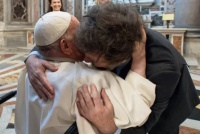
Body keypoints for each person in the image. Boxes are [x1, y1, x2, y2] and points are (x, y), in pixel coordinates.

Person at [24, 2, 200, 134]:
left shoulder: (163, 68)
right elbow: (52, 37)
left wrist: (110, 127)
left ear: (121, 58)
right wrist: (32, 58)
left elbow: (143, 123)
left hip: (165, 114)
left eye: (91, 58)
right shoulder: (100, 29)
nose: (83, 59)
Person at [15, 11, 156, 134]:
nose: (86, 35)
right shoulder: (88, 80)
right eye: (78, 33)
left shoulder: (27, 73)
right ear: (65, 45)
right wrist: (139, 56)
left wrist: (31, 57)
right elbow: (138, 105)